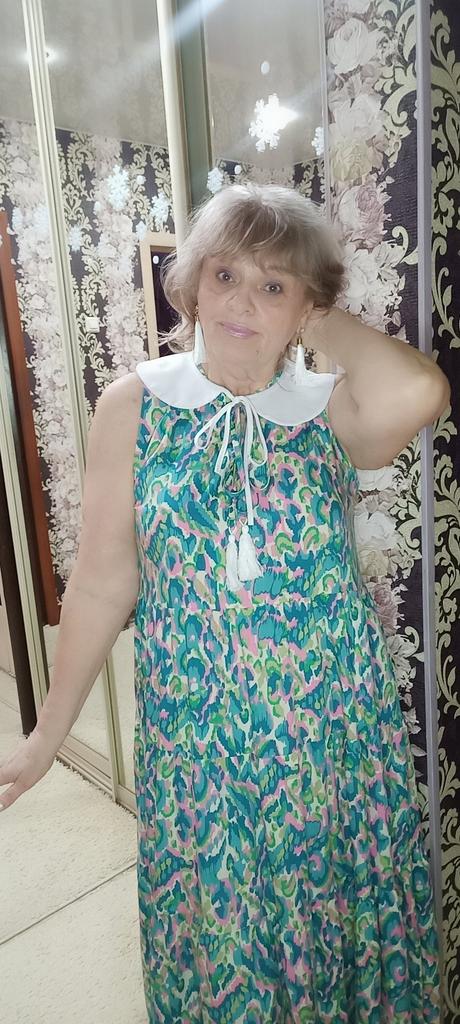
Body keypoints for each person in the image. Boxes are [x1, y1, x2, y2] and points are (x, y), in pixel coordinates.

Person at [0, 183, 449, 1022]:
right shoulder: (135, 404)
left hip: (330, 733)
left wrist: (313, 319)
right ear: (193, 285)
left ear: (307, 306)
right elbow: (101, 581)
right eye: (226, 275)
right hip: (199, 742)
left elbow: (420, 392)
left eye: (273, 285)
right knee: (225, 943)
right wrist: (45, 737)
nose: (242, 301)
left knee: (334, 919)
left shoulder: (326, 409)